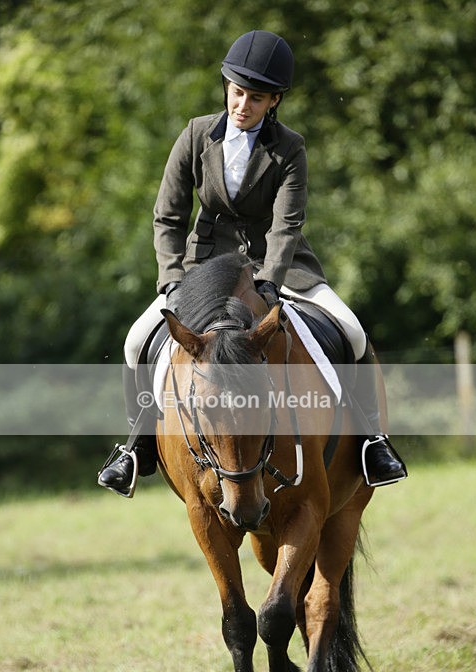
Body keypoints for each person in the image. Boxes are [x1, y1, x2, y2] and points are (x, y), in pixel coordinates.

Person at [98, 30, 407, 497]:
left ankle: (371, 440)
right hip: (203, 267)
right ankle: (136, 445)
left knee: (352, 330)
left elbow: (286, 225)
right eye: (237, 92)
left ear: (274, 101)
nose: (242, 104)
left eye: (255, 97)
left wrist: (268, 282)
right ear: (227, 87)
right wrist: (170, 278)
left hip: (279, 265)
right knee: (136, 340)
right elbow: (168, 215)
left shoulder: (290, 148)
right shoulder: (196, 133)